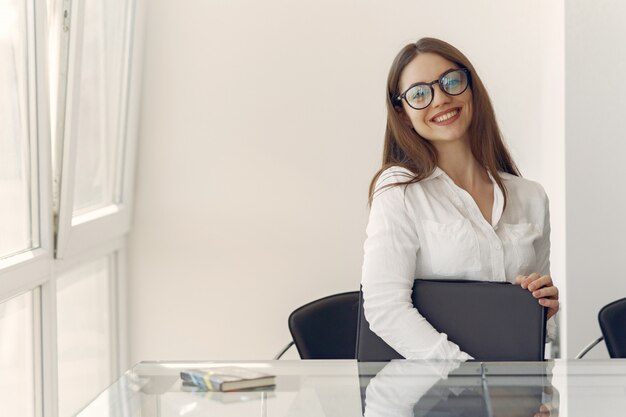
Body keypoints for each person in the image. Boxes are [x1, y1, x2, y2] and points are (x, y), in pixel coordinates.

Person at [361, 37, 559, 360]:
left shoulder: (531, 197)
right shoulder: (400, 190)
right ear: (402, 112)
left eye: (451, 81)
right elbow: (384, 308)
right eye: (420, 94)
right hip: (428, 401)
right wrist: (468, 376)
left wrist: (543, 310)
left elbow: (542, 330)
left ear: (471, 88)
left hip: (512, 399)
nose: (440, 99)